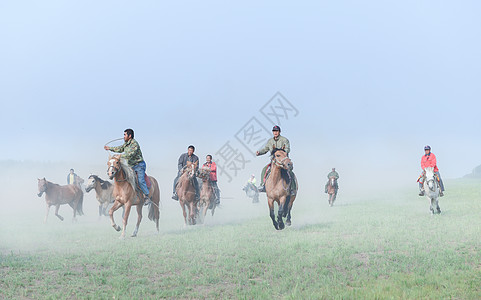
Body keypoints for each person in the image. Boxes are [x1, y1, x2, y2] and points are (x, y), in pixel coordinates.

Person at [104, 129, 151, 205]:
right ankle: (118, 195)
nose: (124, 136)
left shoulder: (134, 144)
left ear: (130, 136)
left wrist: (119, 156)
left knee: (140, 180)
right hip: (131, 166)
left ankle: (146, 196)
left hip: (139, 165)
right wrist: (109, 148)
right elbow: (120, 148)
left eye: (125, 135)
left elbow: (130, 154)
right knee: (123, 177)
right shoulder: (126, 144)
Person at [256, 125, 295, 194]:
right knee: (264, 169)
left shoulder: (284, 140)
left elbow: (287, 149)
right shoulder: (270, 141)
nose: (275, 132)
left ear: (279, 132)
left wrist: (279, 152)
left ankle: (292, 188)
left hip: (283, 162)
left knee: (290, 173)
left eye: (276, 131)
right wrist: (259, 152)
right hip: (274, 162)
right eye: (274, 131)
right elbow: (265, 149)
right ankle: (262, 185)